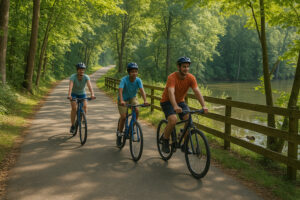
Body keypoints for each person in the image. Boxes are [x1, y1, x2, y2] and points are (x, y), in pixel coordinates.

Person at [160, 56, 208, 153]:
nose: (186, 69)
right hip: (167, 101)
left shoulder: (191, 78)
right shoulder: (172, 77)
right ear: (178, 67)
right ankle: (165, 140)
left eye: (187, 66)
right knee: (173, 120)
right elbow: (171, 92)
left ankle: (184, 144)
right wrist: (175, 106)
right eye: (184, 67)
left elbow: (197, 91)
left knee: (188, 119)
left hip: (180, 101)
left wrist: (204, 105)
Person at [117, 62, 149, 145]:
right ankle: (119, 134)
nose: (134, 73)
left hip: (132, 98)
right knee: (123, 117)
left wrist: (145, 100)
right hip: (123, 99)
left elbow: (142, 91)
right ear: (129, 72)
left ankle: (133, 126)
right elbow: (120, 90)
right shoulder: (124, 79)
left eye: (136, 71)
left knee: (137, 110)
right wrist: (121, 100)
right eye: (132, 71)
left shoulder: (138, 80)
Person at [67, 62, 95, 133]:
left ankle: (83, 120)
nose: (81, 71)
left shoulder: (86, 77)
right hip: (74, 94)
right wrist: (69, 95)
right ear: (77, 70)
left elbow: (89, 86)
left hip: (82, 94)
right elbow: (70, 86)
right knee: (74, 108)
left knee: (85, 106)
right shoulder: (73, 77)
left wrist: (92, 94)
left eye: (83, 70)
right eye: (80, 69)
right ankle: (73, 125)